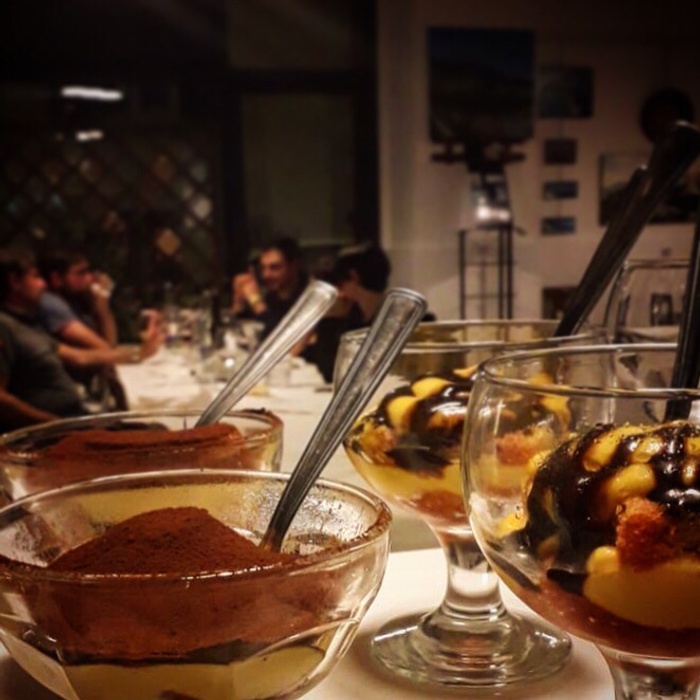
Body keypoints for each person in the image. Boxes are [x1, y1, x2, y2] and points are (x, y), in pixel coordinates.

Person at [0, 248, 161, 431]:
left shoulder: (26, 324)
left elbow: (80, 357)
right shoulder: (4, 326)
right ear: (14, 281)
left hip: (76, 417)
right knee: (158, 433)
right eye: (35, 277)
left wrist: (137, 353)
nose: (43, 284)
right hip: (56, 432)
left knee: (157, 428)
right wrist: (57, 426)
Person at [37, 247, 162, 410]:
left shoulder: (75, 300)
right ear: (56, 279)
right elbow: (105, 348)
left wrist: (102, 304)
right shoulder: (51, 304)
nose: (89, 278)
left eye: (89, 271)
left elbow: (110, 346)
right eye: (81, 273)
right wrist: (138, 353)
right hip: (72, 396)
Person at [231, 236, 309, 338]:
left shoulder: (308, 297)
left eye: (275, 267)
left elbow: (281, 337)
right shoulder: (271, 296)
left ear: (294, 266)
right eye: (263, 268)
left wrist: (256, 301)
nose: (266, 275)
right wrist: (238, 300)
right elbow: (241, 332)